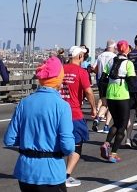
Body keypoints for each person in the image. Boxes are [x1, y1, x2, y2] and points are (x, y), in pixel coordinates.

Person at [4, 57, 75, 192]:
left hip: (25, 171)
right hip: (51, 173)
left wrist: (28, 139)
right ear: (59, 79)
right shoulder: (62, 106)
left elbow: (9, 139)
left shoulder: (24, 103)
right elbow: (68, 147)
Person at [61, 46, 97, 188]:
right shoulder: (81, 72)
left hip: (57, 112)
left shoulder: (60, 69)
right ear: (80, 57)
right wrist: (93, 108)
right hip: (74, 113)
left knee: (57, 143)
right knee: (77, 145)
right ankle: (65, 176)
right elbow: (88, 91)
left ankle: (54, 173)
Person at [101, 40, 136, 163]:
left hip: (110, 94)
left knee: (116, 122)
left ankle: (106, 144)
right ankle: (113, 153)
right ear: (127, 49)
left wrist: (103, 96)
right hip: (123, 95)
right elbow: (132, 82)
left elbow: (102, 79)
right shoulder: (128, 63)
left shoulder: (111, 61)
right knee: (122, 125)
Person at [92, 39, 117, 133]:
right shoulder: (114, 57)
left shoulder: (100, 56)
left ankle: (98, 118)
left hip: (101, 81)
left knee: (104, 103)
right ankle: (106, 126)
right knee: (111, 105)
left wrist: (98, 73)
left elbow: (94, 68)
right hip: (110, 81)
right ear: (113, 47)